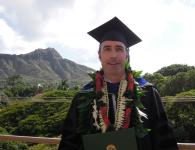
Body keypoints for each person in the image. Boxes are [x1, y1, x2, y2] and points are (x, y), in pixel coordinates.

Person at [58, 17, 178, 150]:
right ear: (99, 55)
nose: (113, 55)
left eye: (119, 49)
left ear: (127, 54)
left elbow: (165, 141)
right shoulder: (82, 97)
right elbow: (69, 144)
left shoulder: (148, 93)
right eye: (107, 49)